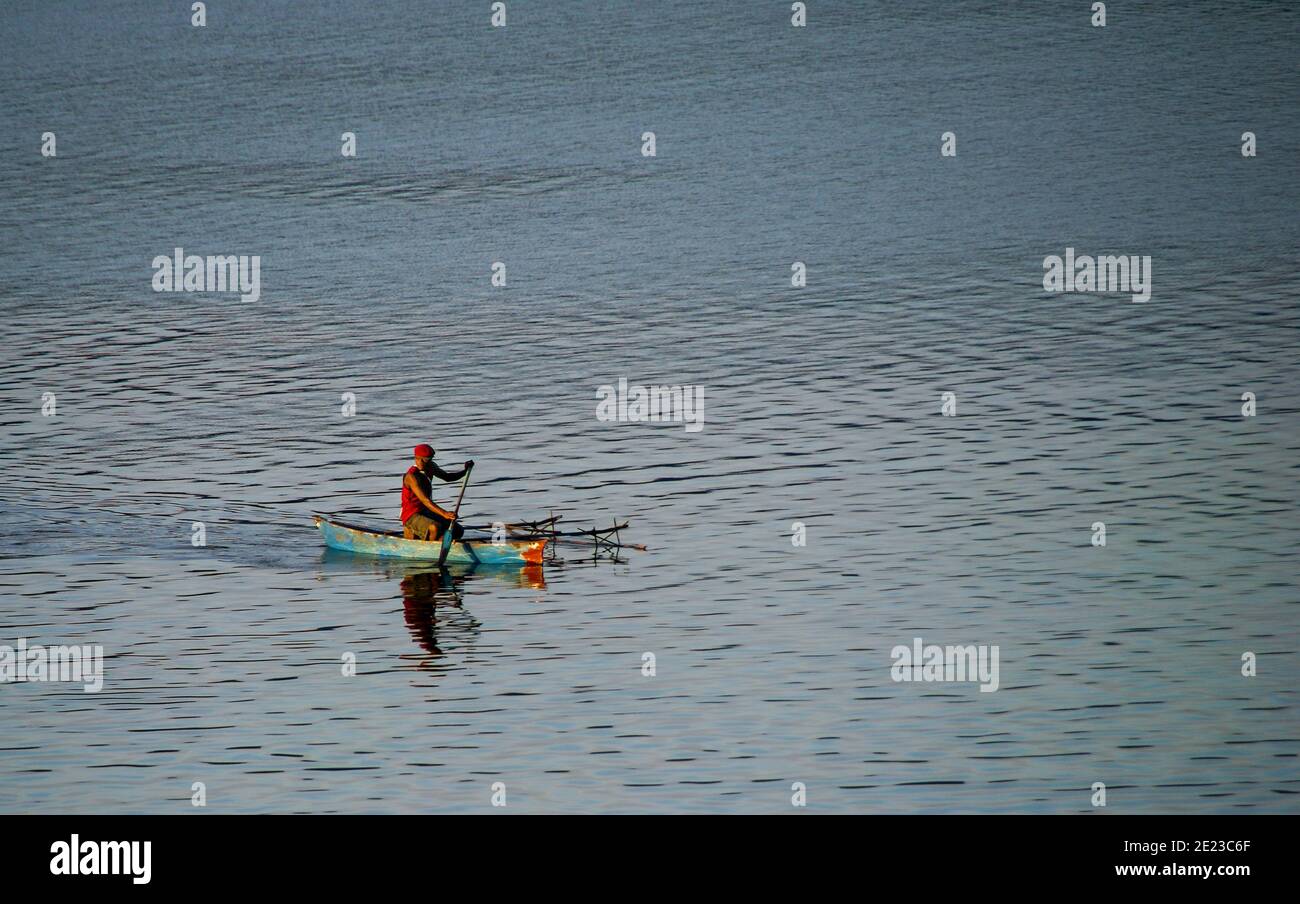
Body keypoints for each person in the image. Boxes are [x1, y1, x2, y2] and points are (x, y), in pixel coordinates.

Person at [400, 444, 474, 541]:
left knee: (458, 530)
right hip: (411, 515)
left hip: (425, 512)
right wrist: (444, 514)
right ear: (415, 458)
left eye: (425, 460)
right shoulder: (411, 477)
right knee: (435, 527)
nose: (421, 463)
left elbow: (448, 477)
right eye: (418, 459)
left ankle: (439, 541)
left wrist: (465, 471)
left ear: (430, 460)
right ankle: (427, 548)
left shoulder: (431, 467)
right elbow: (425, 500)